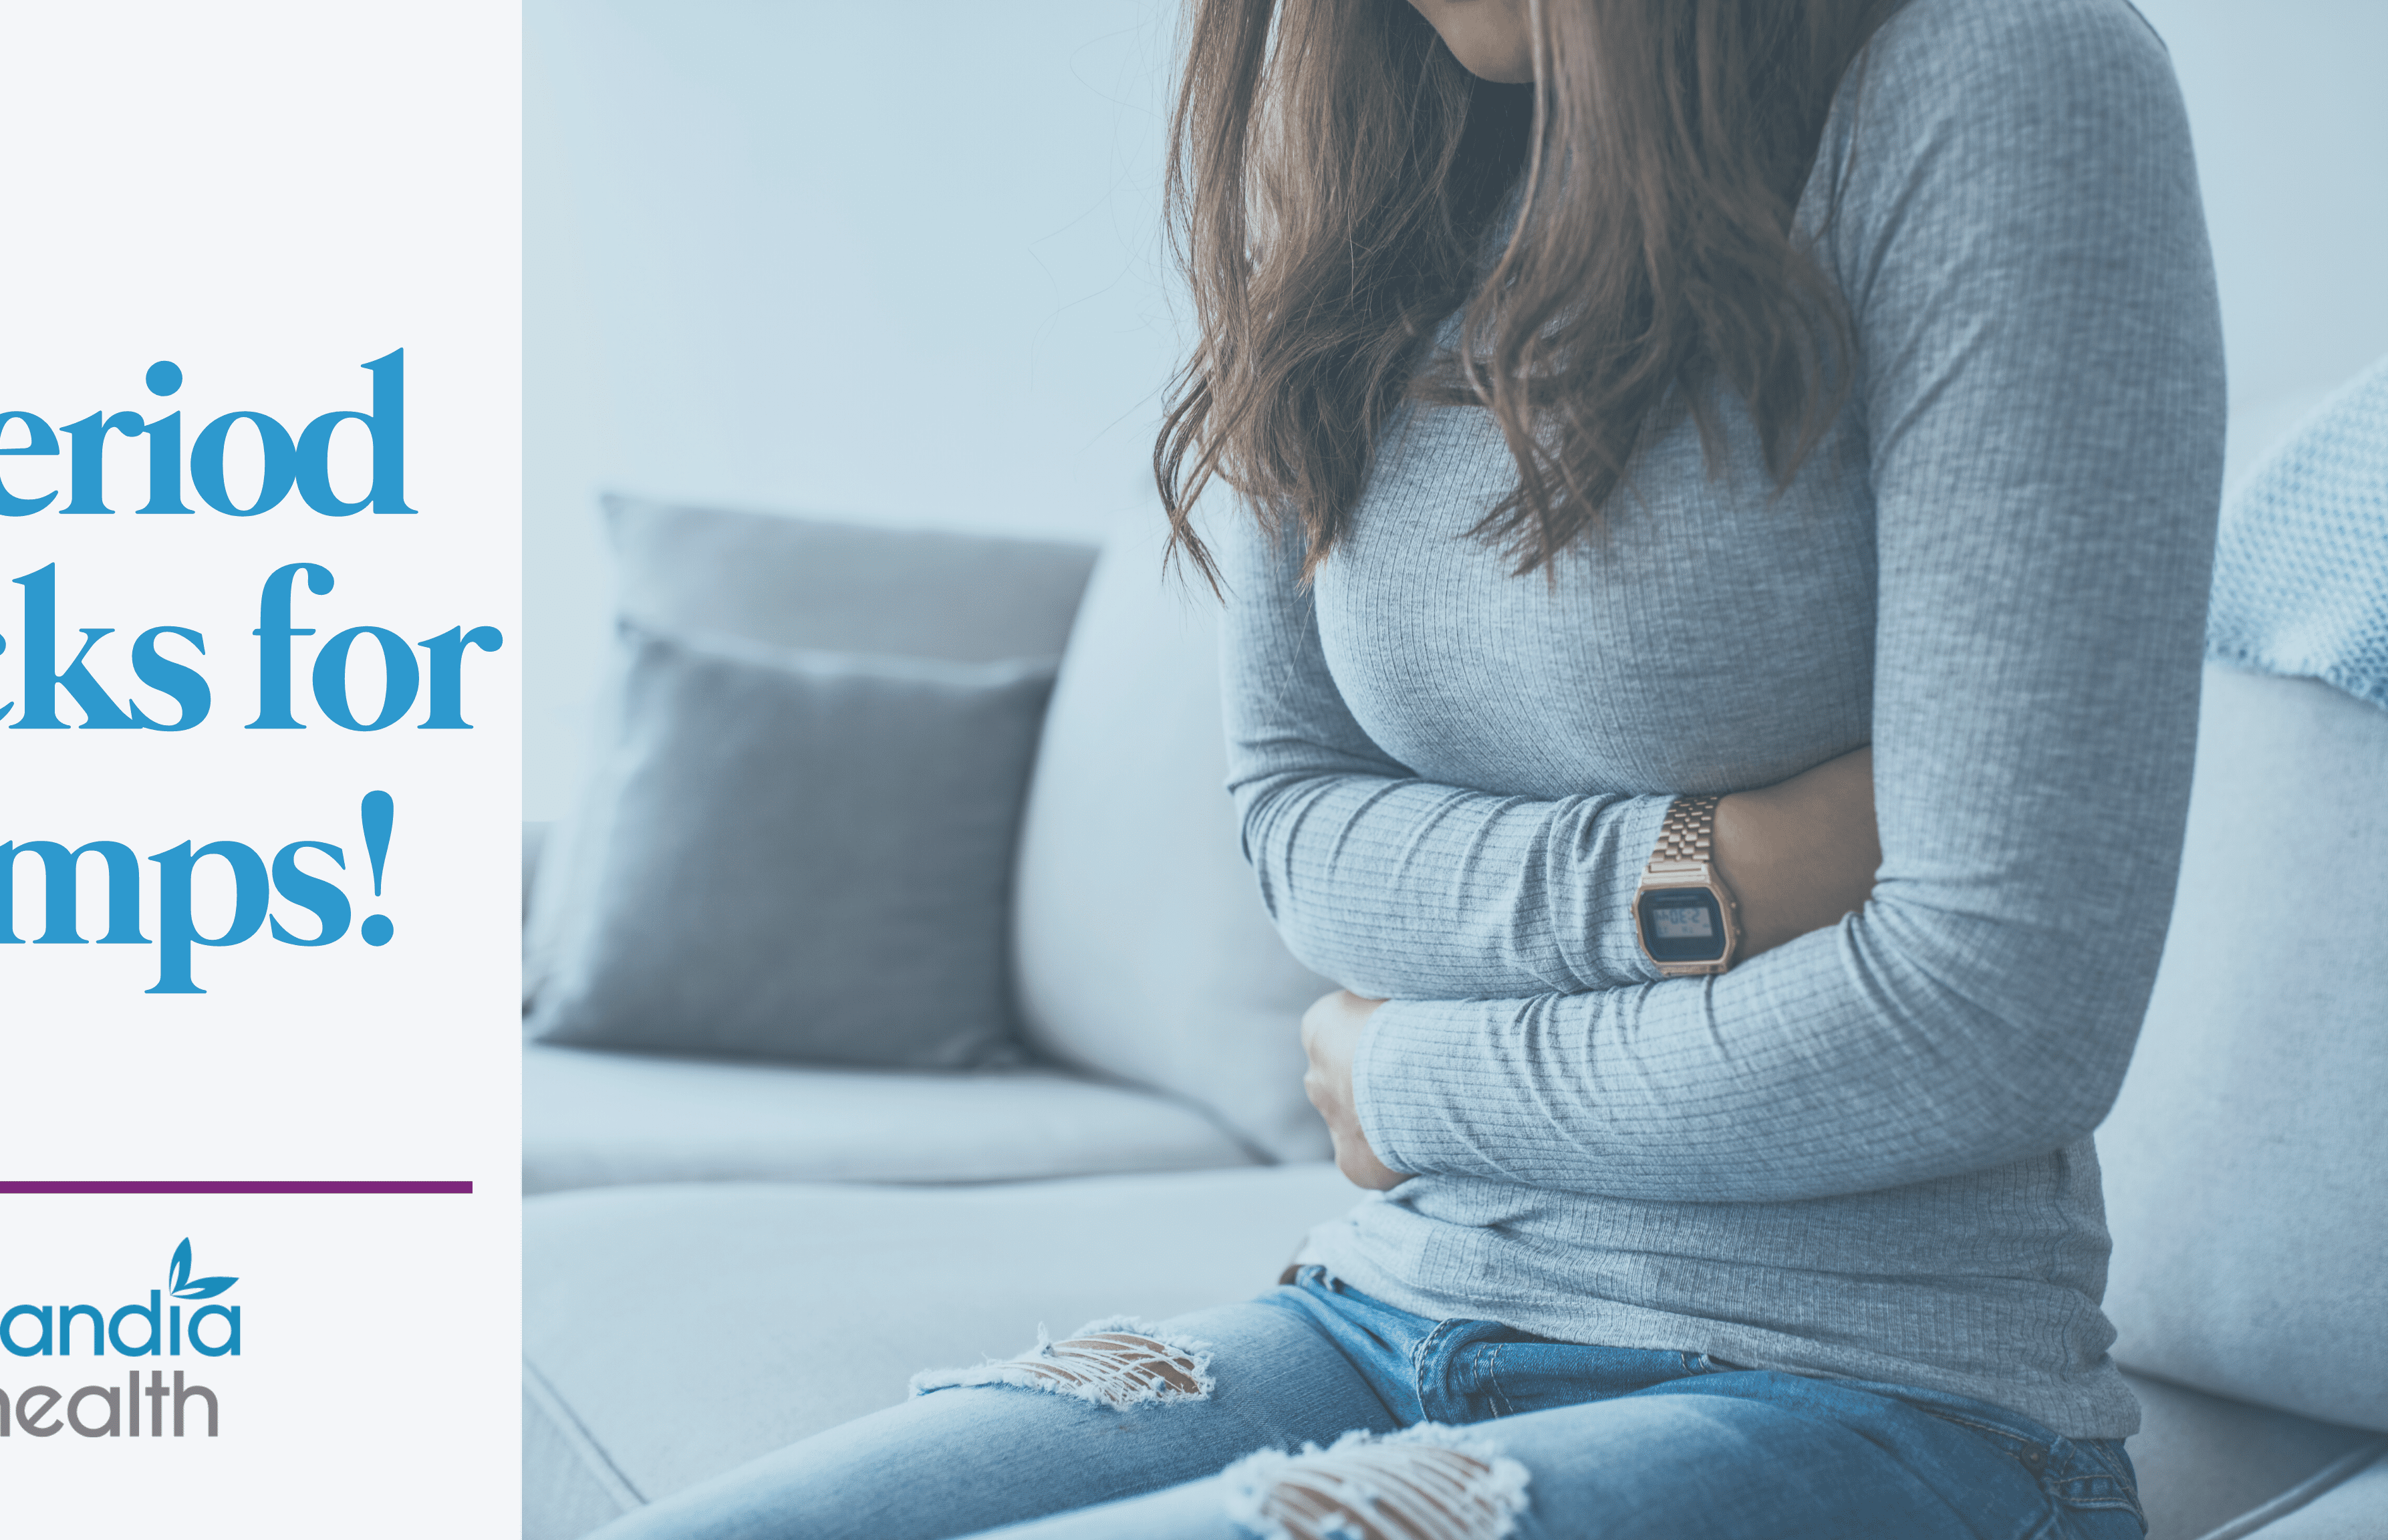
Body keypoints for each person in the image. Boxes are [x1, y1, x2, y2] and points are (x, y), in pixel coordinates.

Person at [591, 0, 2220, 1533]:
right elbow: (1296, 823)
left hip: (1882, 1393)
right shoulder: (1382, 154)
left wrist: (1400, 1080)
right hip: (1379, 1301)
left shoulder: (2003, 79)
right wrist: (1700, 870)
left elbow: (1992, 1016)